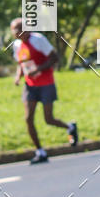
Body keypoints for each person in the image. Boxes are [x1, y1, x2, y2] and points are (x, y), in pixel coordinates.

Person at [11, 18, 78, 164]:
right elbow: (21, 64)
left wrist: (38, 70)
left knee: (48, 119)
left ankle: (70, 127)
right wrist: (18, 77)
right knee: (28, 119)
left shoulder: (38, 39)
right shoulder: (16, 45)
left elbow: (54, 58)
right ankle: (40, 152)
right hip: (30, 86)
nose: (16, 32)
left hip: (46, 83)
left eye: (18, 28)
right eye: (14, 29)